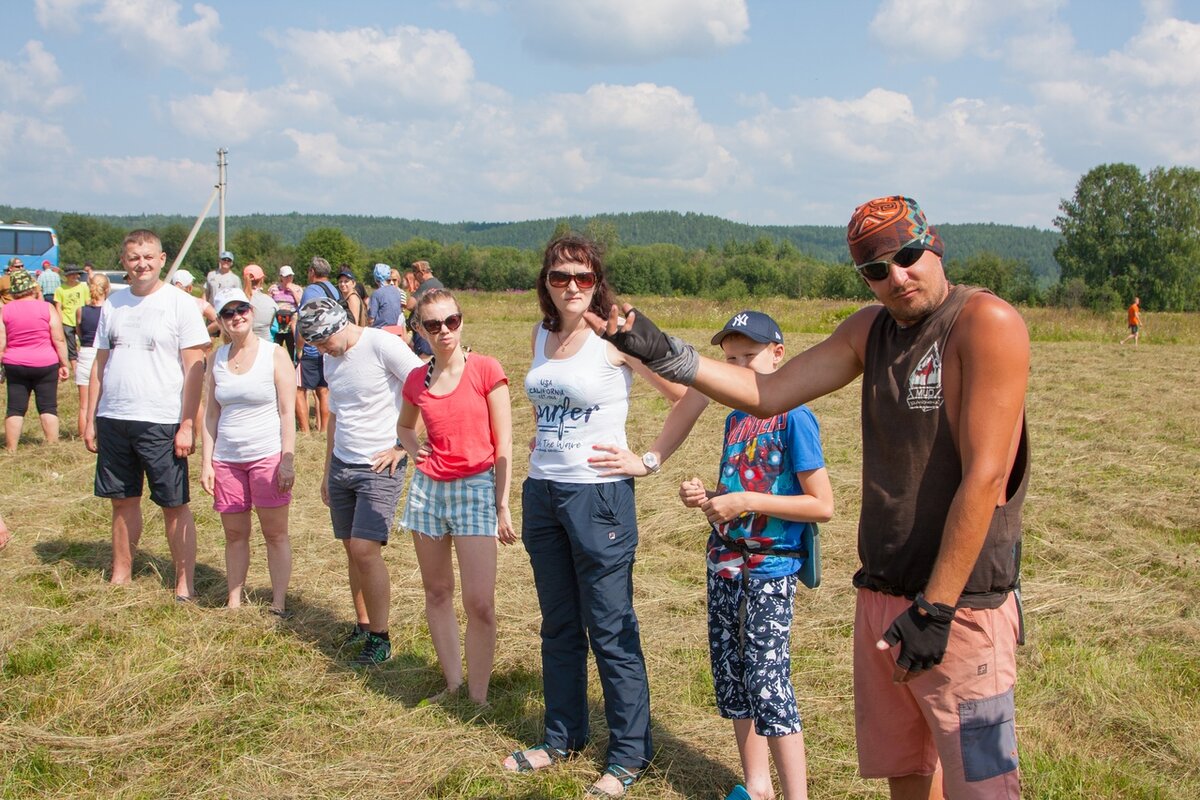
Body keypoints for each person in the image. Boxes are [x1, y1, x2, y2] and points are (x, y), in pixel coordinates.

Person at [589, 196, 1030, 800]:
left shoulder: (985, 322)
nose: (896, 277)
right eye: (876, 270)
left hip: (961, 607)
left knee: (984, 782)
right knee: (907, 770)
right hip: (881, 593)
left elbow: (986, 477)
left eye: (906, 256)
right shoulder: (869, 329)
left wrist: (937, 608)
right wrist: (656, 346)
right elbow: (767, 393)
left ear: (936, 245)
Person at [589, 311, 834, 800]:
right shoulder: (735, 419)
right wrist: (709, 500)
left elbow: (821, 505)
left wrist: (745, 501)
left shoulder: (795, 417)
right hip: (724, 560)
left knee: (768, 680)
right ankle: (757, 786)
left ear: (778, 355)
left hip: (770, 567)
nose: (739, 366)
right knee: (732, 676)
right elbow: (735, 490)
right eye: (731, 358)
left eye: (750, 356)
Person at [501, 234, 685, 799]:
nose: (573, 287)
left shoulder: (615, 337)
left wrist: (647, 460)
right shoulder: (543, 333)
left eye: (583, 277)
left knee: (609, 628)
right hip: (545, 493)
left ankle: (629, 754)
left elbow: (688, 393)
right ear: (547, 284)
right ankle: (562, 738)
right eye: (561, 277)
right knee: (558, 624)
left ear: (597, 281)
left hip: (599, 497)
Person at [397, 288, 515, 705]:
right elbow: (405, 428)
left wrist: (502, 504)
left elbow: (504, 443)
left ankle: (479, 699)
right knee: (437, 591)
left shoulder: (485, 369)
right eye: (433, 324)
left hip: (476, 489)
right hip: (428, 494)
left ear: (461, 320)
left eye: (452, 321)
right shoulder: (417, 379)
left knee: (480, 601)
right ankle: (453, 685)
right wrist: (415, 451)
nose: (445, 330)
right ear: (420, 330)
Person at [85, 229, 209, 599]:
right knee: (121, 500)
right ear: (124, 262)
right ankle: (121, 573)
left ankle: (184, 582)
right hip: (114, 417)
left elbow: (195, 368)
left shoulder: (180, 304)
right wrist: (92, 415)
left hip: (162, 420)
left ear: (162, 259)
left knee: (174, 504)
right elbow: (100, 364)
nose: (141, 264)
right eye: (133, 257)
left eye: (148, 257)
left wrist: (188, 424)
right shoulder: (113, 304)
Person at [300, 296, 422, 667]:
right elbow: (335, 413)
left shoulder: (381, 344)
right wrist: (327, 471)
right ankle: (363, 624)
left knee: (365, 549)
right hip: (342, 464)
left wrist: (404, 446)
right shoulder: (329, 356)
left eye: (323, 343)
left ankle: (381, 638)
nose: (323, 351)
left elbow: (425, 386)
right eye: (317, 347)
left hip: (378, 468)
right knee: (351, 549)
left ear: (339, 326)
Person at [200, 288, 297, 615]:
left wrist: (287, 460)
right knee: (234, 534)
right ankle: (234, 600)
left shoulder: (274, 354)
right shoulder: (216, 358)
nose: (236, 317)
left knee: (275, 533)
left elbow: (287, 412)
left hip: (267, 456)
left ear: (252, 312)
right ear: (221, 321)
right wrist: (206, 462)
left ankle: (278, 603)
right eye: (228, 313)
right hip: (227, 460)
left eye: (242, 309)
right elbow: (211, 414)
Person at [1, 268, 70, 450]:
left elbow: (1, 341)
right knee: (48, 406)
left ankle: (11, 449)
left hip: (15, 363)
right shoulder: (46, 308)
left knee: (15, 408)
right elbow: (59, 338)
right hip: (45, 363)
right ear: (33, 287)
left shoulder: (5, 310)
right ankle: (52, 447)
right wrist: (64, 364)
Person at [295, 257, 341, 433]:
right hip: (331, 347)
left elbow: (303, 322)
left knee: (299, 390)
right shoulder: (334, 290)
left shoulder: (311, 291)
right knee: (324, 390)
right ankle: (324, 430)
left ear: (312, 272)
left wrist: (299, 347)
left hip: (312, 348)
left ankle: (305, 431)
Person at [75, 273, 111, 439]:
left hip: (85, 352)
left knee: (84, 403)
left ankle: (83, 434)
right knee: (104, 398)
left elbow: (79, 332)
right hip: (104, 354)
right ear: (107, 289)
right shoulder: (110, 311)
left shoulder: (80, 311)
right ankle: (102, 432)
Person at [55, 265, 91, 374]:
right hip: (67, 320)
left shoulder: (83, 287)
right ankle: (76, 370)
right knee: (71, 346)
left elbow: (87, 302)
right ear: (66, 276)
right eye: (71, 274)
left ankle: (87, 365)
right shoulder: (60, 289)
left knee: (85, 343)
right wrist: (60, 321)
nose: (74, 276)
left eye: (76, 274)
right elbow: (58, 306)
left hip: (81, 319)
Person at [405, 261, 443, 359]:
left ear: (421, 273)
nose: (415, 278)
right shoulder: (438, 284)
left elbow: (409, 305)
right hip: (434, 325)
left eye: (415, 274)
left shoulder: (426, 285)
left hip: (424, 327)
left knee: (424, 357)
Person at [267, 265, 302, 361]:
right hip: (277, 324)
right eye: (286, 276)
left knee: (292, 348)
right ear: (281, 277)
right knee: (275, 348)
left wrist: (293, 291)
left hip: (291, 324)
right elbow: (268, 303)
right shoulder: (273, 288)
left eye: (290, 276)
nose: (288, 278)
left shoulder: (297, 288)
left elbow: (300, 303)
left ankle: (293, 365)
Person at [172, 270, 219, 335]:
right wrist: (204, 333)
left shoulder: (162, 299)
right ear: (190, 288)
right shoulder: (198, 303)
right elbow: (218, 320)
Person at [241, 264, 277, 342]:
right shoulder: (270, 302)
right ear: (262, 280)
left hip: (242, 345)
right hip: (265, 345)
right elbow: (272, 327)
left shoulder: (238, 299)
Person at [367, 263, 404, 329]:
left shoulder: (376, 294)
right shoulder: (397, 291)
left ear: (376, 279)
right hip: (396, 329)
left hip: (381, 331)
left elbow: (371, 319)